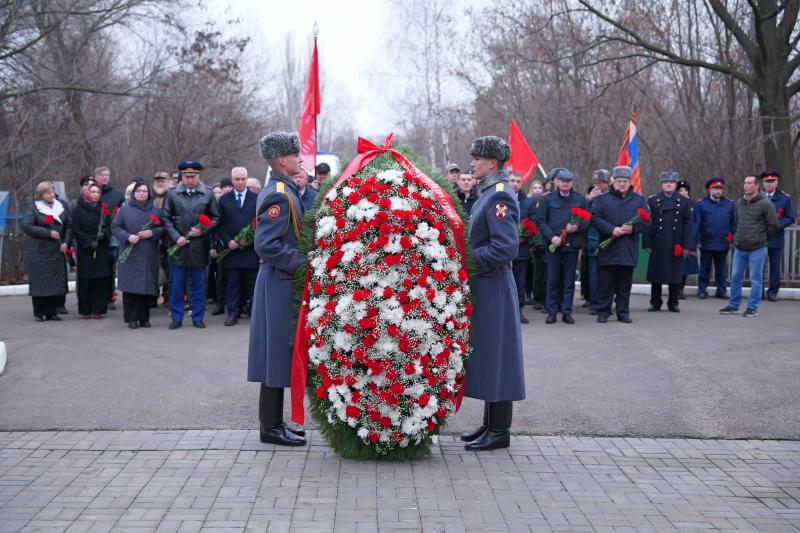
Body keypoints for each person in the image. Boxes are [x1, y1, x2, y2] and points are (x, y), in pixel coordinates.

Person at [460, 135, 524, 451]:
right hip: (487, 284)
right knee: (490, 355)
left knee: (499, 357)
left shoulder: (500, 196)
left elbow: (505, 247)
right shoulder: (488, 192)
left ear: (492, 163)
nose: (472, 164)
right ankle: (490, 424)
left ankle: (500, 431)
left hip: (494, 284)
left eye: (477, 159)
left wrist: (468, 259)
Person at [248, 131, 308, 447]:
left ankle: (273, 423)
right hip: (279, 283)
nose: (300, 158)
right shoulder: (279, 195)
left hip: (278, 281)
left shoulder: (283, 189)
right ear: (283, 160)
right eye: (295, 154)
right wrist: (302, 263)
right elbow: (266, 244)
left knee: (276, 354)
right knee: (275, 354)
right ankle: (270, 427)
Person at [163, 160, 220, 329]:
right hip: (179, 248)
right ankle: (176, 318)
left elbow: (216, 218)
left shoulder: (207, 194)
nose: (189, 180)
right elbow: (165, 218)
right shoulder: (172, 194)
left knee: (199, 286)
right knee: (176, 286)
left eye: (192, 176)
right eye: (186, 176)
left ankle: (197, 317)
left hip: (199, 247)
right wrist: (176, 237)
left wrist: (202, 231)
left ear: (198, 176)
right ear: (182, 176)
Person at [591, 166, 649, 323]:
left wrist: (633, 228)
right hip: (609, 248)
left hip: (628, 248)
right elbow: (595, 218)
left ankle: (623, 312)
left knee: (624, 285)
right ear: (613, 182)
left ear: (630, 182)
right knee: (606, 284)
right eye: (619, 181)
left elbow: (647, 221)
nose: (622, 184)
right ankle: (603, 311)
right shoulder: (602, 200)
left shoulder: (639, 200)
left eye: (625, 181)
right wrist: (611, 229)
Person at [720, 175, 779, 317]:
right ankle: (734, 305)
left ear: (757, 185)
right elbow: (736, 222)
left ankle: (752, 307)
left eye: (749, 183)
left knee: (756, 279)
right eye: (745, 183)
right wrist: (737, 238)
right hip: (740, 247)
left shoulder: (766, 204)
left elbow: (773, 225)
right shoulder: (739, 202)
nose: (746, 185)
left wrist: (762, 238)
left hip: (757, 248)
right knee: (735, 277)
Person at [538, 168, 590, 324]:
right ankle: (552, 312)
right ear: (557, 182)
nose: (565, 184)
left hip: (572, 246)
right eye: (563, 181)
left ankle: (567, 312)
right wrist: (551, 237)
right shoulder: (548, 199)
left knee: (569, 281)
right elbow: (541, 221)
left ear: (572, 183)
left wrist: (577, 228)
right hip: (554, 246)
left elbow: (588, 220)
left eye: (568, 181)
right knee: (552, 280)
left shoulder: (580, 200)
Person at [111, 181, 164, 328]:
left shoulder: (155, 210)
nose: (142, 193)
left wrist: (152, 232)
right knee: (131, 287)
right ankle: (131, 318)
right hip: (130, 253)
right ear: (133, 193)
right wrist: (127, 236)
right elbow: (115, 227)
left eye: (144, 191)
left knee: (146, 287)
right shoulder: (125, 210)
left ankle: (144, 318)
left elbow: (163, 229)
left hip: (148, 253)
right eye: (139, 191)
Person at [643, 172, 693, 313]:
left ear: (676, 184)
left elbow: (688, 225)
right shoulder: (653, 200)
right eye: (666, 182)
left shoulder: (685, 201)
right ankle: (655, 302)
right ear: (661, 184)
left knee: (675, 274)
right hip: (658, 241)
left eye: (672, 182)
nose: (669, 184)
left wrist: (687, 246)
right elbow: (647, 224)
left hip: (676, 241)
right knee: (656, 274)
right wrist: (647, 243)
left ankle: (673, 302)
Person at [217, 166, 259, 326]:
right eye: (237, 179)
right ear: (232, 180)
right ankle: (232, 313)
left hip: (250, 251)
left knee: (253, 285)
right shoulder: (224, 200)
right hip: (232, 250)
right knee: (233, 284)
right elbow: (220, 225)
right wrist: (229, 241)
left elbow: (260, 222)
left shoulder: (256, 198)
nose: (240, 182)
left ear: (247, 180)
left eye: (243, 179)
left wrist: (249, 239)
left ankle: (255, 315)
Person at [22, 181, 71, 321]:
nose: (52, 195)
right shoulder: (34, 207)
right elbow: (27, 226)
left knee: (54, 282)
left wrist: (66, 242)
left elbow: (68, 226)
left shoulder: (60, 206)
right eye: (48, 192)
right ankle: (39, 313)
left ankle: (52, 312)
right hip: (39, 251)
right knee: (40, 282)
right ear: (41, 194)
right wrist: (48, 233)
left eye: (52, 192)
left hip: (56, 250)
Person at [71, 182, 113, 319]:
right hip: (85, 248)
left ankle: (98, 309)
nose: (96, 195)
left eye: (98, 192)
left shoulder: (103, 209)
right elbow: (75, 229)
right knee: (86, 280)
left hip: (100, 247)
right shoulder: (78, 209)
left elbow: (109, 226)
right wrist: (88, 242)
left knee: (100, 279)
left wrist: (103, 234)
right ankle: (86, 309)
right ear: (87, 193)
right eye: (93, 192)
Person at [694, 177, 736, 299]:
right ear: (709, 189)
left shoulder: (729, 205)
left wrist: (733, 238)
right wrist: (697, 240)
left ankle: (721, 290)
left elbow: (733, 223)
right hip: (706, 242)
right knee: (704, 268)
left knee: (721, 269)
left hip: (723, 242)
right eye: (715, 188)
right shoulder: (701, 204)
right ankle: (702, 289)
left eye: (720, 188)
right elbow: (696, 223)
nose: (718, 191)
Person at [93, 166, 125, 309]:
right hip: (93, 236)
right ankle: (95, 297)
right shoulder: (91, 192)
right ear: (96, 177)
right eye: (102, 174)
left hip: (111, 237)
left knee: (109, 268)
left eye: (107, 174)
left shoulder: (117, 195)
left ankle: (109, 297)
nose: (105, 177)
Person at [761, 171, 795, 301]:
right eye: (766, 181)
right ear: (763, 183)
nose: (769, 184)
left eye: (772, 181)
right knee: (758, 266)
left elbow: (790, 217)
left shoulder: (784, 198)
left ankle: (773, 292)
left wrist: (777, 225)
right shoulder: (757, 196)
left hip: (776, 237)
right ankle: (759, 291)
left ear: (776, 183)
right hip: (759, 237)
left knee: (775, 266)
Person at [509, 173, 535, 324]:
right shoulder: (501, 198)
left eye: (518, 181)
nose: (515, 183)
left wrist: (524, 236)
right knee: (506, 279)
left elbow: (533, 221)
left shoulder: (528, 202)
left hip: (521, 247)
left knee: (520, 280)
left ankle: (519, 310)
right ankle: (506, 310)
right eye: (512, 180)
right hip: (505, 247)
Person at [583, 169, 610, 314]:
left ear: (608, 183)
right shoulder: (589, 198)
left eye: (601, 183)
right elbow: (583, 216)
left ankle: (606, 303)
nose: (597, 186)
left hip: (610, 239)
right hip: (593, 240)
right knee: (593, 275)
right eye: (595, 183)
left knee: (608, 276)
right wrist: (588, 200)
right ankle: (595, 303)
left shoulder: (612, 197)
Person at [676, 180, 699, 299]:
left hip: (689, 239)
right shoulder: (674, 203)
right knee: (676, 265)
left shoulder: (693, 205)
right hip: (676, 239)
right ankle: (675, 289)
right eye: (681, 190)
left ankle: (681, 289)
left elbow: (696, 222)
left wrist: (692, 235)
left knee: (686, 266)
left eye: (685, 190)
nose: (683, 192)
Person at [153, 172, 171, 305]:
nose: (160, 183)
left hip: (169, 240)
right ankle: (152, 297)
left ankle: (168, 296)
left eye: (163, 181)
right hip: (153, 240)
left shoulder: (172, 197)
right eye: (158, 181)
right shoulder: (150, 198)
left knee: (169, 270)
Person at [528, 179, 546, 309]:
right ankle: (537, 298)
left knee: (546, 272)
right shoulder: (529, 203)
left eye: (539, 188)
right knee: (537, 272)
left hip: (546, 240)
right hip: (534, 241)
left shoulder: (545, 201)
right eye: (535, 188)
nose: (537, 190)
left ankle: (545, 298)